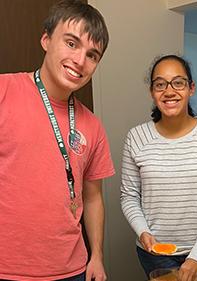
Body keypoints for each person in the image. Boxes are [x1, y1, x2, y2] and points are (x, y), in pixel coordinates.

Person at [0, 1, 115, 280]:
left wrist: (97, 256)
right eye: (72, 43)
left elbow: (93, 197)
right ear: (46, 39)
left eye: (92, 55)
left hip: (71, 269)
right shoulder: (4, 91)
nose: (80, 61)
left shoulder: (93, 126)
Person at [120, 55, 197, 281]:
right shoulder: (136, 137)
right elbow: (129, 196)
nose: (169, 91)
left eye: (178, 82)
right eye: (160, 84)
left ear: (191, 88)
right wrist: (143, 231)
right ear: (152, 92)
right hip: (154, 255)